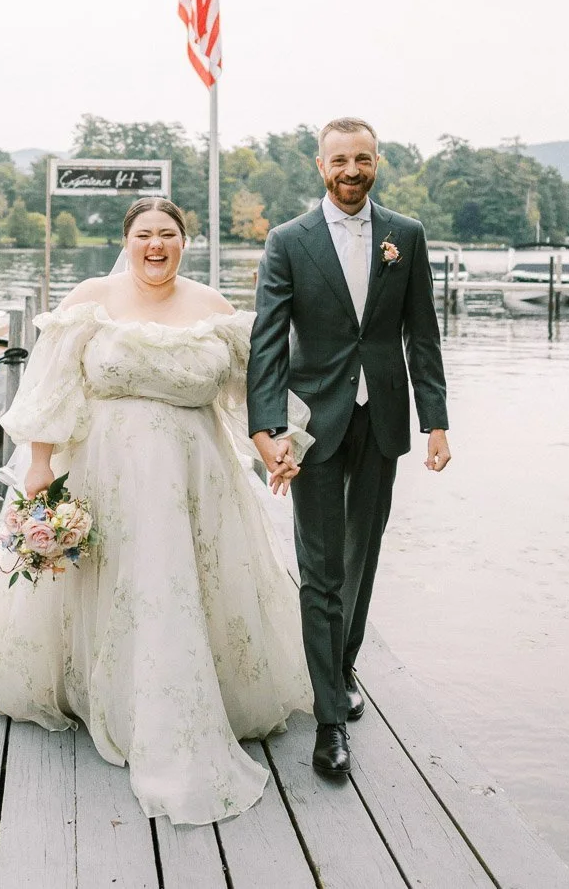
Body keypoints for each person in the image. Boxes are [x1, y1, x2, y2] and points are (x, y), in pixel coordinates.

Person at [0, 197, 313, 825]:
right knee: (111, 584)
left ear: (184, 241)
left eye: (168, 234)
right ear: (127, 240)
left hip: (195, 476)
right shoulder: (90, 298)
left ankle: (180, 708)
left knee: (177, 586)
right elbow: (52, 386)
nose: (156, 245)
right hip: (103, 468)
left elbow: (252, 395)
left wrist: (276, 447)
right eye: (144, 235)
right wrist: (37, 467)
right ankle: (102, 692)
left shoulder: (214, 310)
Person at [248, 117, 451, 778]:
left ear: (376, 162)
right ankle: (330, 720)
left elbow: (422, 334)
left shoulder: (407, 237)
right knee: (321, 566)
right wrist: (271, 428)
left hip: (383, 418)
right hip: (315, 421)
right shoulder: (288, 242)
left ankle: (341, 665)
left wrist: (436, 422)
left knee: (364, 555)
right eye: (339, 160)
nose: (351, 170)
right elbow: (269, 343)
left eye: (362, 159)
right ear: (320, 165)